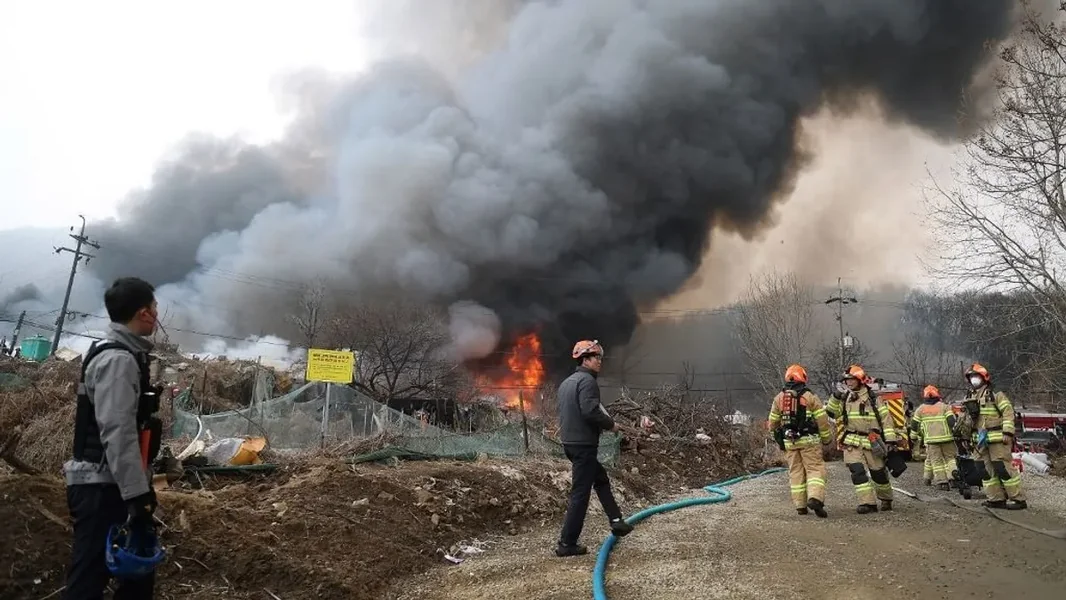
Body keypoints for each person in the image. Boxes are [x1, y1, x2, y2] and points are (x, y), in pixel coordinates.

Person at [63, 277, 164, 599]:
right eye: (155, 307)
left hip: (113, 482)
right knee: (88, 581)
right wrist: (137, 495)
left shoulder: (124, 356)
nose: (157, 314)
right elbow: (117, 431)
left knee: (137, 578)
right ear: (144, 313)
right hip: (102, 487)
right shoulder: (118, 361)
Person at [555, 339, 633, 557]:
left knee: (601, 478)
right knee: (580, 494)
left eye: (600, 357)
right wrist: (612, 425)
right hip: (583, 445)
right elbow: (590, 411)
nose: (600, 361)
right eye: (596, 357)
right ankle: (567, 543)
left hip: (570, 443)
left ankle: (616, 520)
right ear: (585, 359)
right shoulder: (587, 382)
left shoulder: (567, 382)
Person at [825, 364, 897, 513]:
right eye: (846, 381)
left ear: (860, 380)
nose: (848, 383)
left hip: (872, 440)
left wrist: (890, 440)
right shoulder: (845, 398)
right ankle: (868, 503)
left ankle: (886, 498)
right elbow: (832, 413)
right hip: (852, 440)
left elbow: (886, 419)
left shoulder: (873, 398)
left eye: (851, 380)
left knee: (878, 473)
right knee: (857, 471)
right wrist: (836, 396)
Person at [767, 364, 831, 517]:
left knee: (796, 472)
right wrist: (827, 438)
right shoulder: (810, 397)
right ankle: (815, 498)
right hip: (809, 441)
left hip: (790, 442)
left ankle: (800, 506)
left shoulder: (779, 398)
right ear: (803, 378)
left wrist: (779, 437)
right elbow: (822, 420)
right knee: (815, 469)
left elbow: (772, 423)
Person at [962, 363, 1027, 509]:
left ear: (984, 377)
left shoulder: (995, 394)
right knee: (983, 470)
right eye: (971, 377)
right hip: (979, 441)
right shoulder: (969, 396)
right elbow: (965, 419)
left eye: (976, 376)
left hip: (997, 438)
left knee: (1002, 467)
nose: (974, 380)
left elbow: (1008, 412)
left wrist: (1008, 432)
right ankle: (996, 499)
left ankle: (1018, 499)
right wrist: (965, 437)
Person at [911, 385, 957, 490]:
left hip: (931, 441)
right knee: (950, 459)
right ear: (937, 395)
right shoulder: (944, 407)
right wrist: (955, 433)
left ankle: (942, 483)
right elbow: (951, 421)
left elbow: (914, 424)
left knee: (937, 461)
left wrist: (913, 437)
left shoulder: (920, 409)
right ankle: (954, 478)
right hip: (947, 439)